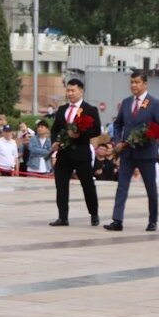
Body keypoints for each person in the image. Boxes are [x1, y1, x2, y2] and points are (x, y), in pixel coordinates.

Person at [105, 70, 159, 232]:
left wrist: (146, 137)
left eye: (137, 82)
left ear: (145, 84)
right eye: (132, 82)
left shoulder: (154, 103)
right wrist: (118, 141)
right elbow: (118, 124)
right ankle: (117, 220)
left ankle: (153, 220)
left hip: (146, 153)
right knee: (122, 186)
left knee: (150, 188)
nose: (134, 85)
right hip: (127, 152)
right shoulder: (126, 103)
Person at [49, 78, 101, 226]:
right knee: (61, 185)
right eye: (68, 90)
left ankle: (94, 213)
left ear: (81, 91)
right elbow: (55, 129)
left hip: (81, 153)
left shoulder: (90, 109)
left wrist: (80, 134)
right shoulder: (62, 109)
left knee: (87, 185)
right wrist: (55, 141)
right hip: (64, 153)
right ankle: (63, 217)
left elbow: (96, 130)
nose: (70, 93)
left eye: (73, 90)